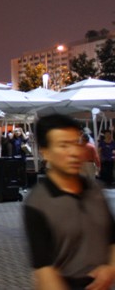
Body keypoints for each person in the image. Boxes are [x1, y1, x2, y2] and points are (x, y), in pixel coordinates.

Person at [23, 114, 115, 290]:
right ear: (46, 153)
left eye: (76, 143)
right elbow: (44, 270)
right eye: (63, 145)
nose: (73, 152)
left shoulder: (95, 191)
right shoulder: (37, 203)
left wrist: (110, 268)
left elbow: (112, 238)